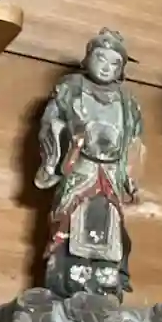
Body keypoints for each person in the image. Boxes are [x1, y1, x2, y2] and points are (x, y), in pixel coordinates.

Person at [36, 29, 143, 301]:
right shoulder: (70, 87)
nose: (106, 67)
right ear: (88, 58)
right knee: (69, 218)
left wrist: (131, 175)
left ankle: (106, 280)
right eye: (100, 58)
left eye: (114, 63)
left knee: (112, 224)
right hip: (80, 165)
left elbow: (133, 140)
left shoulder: (127, 100)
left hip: (112, 171)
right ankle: (68, 277)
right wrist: (66, 139)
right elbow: (50, 122)